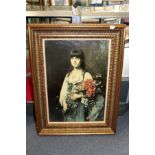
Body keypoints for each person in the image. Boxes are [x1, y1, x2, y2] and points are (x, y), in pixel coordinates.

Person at [59, 49, 104, 122]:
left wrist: (78, 96)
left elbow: (91, 94)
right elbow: (63, 92)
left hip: (80, 108)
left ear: (81, 60)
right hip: (68, 107)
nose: (74, 61)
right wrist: (64, 103)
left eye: (77, 58)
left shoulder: (86, 75)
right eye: (72, 58)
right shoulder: (68, 75)